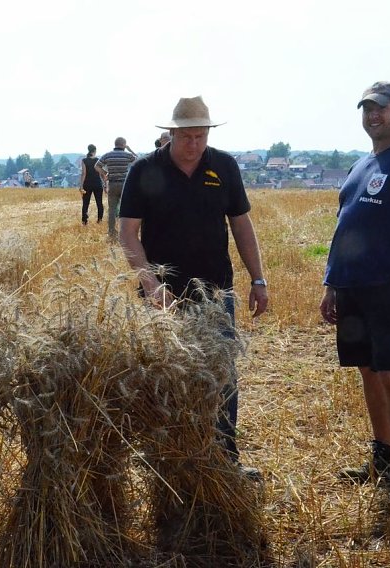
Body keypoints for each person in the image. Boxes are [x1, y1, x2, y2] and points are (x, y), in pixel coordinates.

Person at [118, 96, 269, 471]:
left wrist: (258, 278)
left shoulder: (225, 167)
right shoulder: (144, 171)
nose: (194, 145)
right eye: (186, 136)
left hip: (216, 290)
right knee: (164, 375)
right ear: (170, 134)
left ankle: (224, 459)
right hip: (162, 294)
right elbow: (128, 234)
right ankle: (170, 463)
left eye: (200, 136)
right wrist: (151, 284)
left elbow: (241, 225)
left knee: (222, 375)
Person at [319, 81, 390, 502]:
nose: (373, 116)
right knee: (368, 371)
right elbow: (344, 226)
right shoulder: (360, 165)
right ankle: (384, 455)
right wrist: (331, 283)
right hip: (352, 285)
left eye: (381, 109)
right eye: (367, 109)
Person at [95, 137, 137, 241]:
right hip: (124, 185)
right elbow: (138, 161)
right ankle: (126, 231)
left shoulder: (107, 155)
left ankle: (111, 232)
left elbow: (97, 166)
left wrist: (105, 173)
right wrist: (129, 149)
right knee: (126, 209)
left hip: (112, 184)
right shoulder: (127, 155)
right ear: (123, 145)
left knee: (112, 209)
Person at [79, 144, 104, 225]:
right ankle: (99, 220)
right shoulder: (98, 160)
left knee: (85, 203)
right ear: (95, 150)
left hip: (87, 184)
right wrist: (105, 184)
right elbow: (101, 173)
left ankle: (84, 221)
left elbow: (83, 173)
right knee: (99, 203)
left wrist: (81, 185)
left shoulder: (84, 160)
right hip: (97, 184)